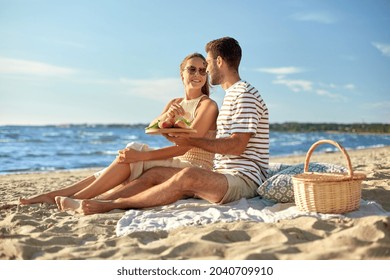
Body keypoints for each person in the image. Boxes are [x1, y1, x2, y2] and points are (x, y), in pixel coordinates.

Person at [55, 36, 270, 215]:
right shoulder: (232, 95)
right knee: (154, 174)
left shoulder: (244, 95)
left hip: (245, 180)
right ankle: (98, 201)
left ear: (219, 61)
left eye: (208, 63)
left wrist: (190, 140)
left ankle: (111, 205)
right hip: (225, 173)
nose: (206, 70)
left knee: (189, 176)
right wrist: (176, 129)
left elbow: (237, 146)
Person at [19, 53, 219, 205]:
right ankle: (57, 196)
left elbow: (185, 147)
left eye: (203, 71)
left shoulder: (207, 105)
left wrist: (139, 157)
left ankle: (72, 198)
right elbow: (151, 128)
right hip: (177, 160)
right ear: (181, 73)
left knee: (133, 153)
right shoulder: (175, 102)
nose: (197, 75)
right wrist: (168, 117)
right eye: (192, 69)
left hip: (194, 166)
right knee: (125, 157)